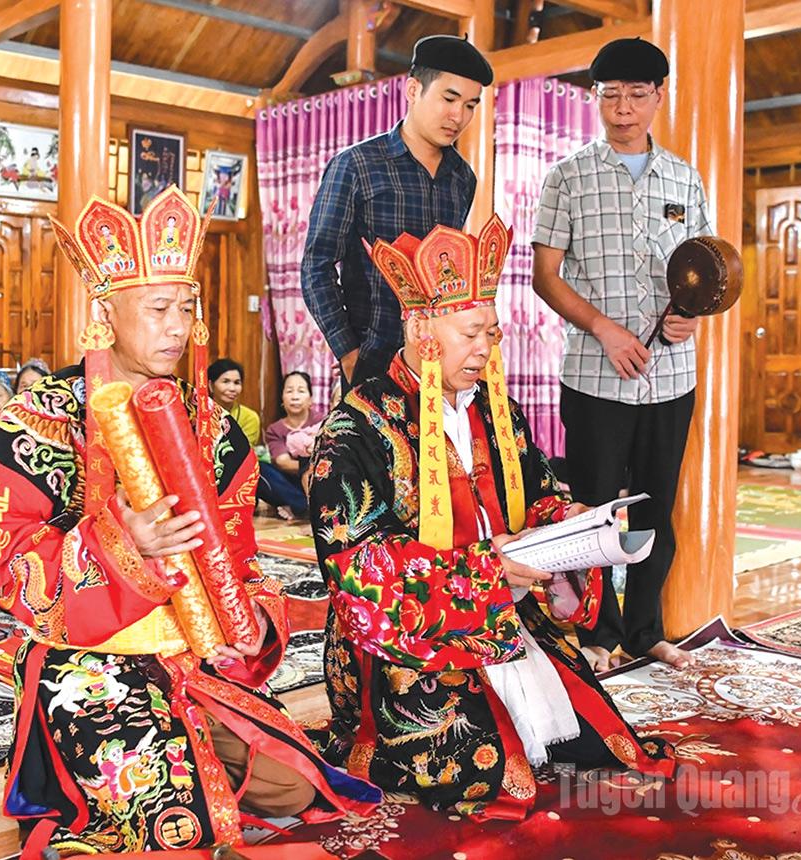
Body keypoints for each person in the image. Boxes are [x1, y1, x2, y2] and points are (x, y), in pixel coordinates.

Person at [0, 189, 378, 857]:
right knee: (171, 819)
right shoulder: (37, 423)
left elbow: (240, 556)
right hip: (89, 658)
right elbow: (8, 566)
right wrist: (124, 545)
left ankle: (197, 733)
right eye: (157, 310)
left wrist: (251, 620)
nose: (177, 327)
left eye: (186, 308)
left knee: (292, 788)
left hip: (193, 651)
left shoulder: (211, 426)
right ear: (105, 312)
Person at [309, 216, 675, 818]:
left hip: (510, 610)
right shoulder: (358, 426)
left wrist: (571, 521)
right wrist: (482, 572)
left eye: (492, 333)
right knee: (480, 759)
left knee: (591, 739)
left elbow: (538, 494)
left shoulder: (494, 411)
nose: (485, 348)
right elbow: (353, 568)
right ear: (422, 327)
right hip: (414, 636)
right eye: (471, 333)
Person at [530, 37, 712, 671]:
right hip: (592, 376)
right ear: (594, 98)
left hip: (672, 376)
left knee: (658, 505)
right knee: (594, 507)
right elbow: (545, 277)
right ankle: (597, 634)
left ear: (658, 97)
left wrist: (690, 316)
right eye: (611, 95)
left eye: (637, 95)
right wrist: (605, 330)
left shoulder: (686, 178)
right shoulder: (567, 176)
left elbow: (702, 272)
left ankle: (645, 631)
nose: (624, 108)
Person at [302, 34, 492, 392]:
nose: (458, 116)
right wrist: (348, 351)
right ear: (412, 90)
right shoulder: (356, 165)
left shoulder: (463, 177)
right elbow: (316, 265)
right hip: (372, 357)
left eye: (470, 105)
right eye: (449, 99)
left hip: (440, 360)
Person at [262, 371, 322, 516]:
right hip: (289, 484)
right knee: (260, 469)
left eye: (301, 391)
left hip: (320, 480)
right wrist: (310, 465)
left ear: (310, 399)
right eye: (289, 391)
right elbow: (283, 463)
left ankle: (297, 507)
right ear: (282, 398)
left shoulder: (323, 422)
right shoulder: (274, 429)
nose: (295, 396)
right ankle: (305, 505)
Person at [207, 357, 261, 445]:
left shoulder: (249, 418)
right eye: (225, 382)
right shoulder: (197, 413)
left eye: (237, 383)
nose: (232, 389)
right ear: (211, 385)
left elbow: (244, 452)